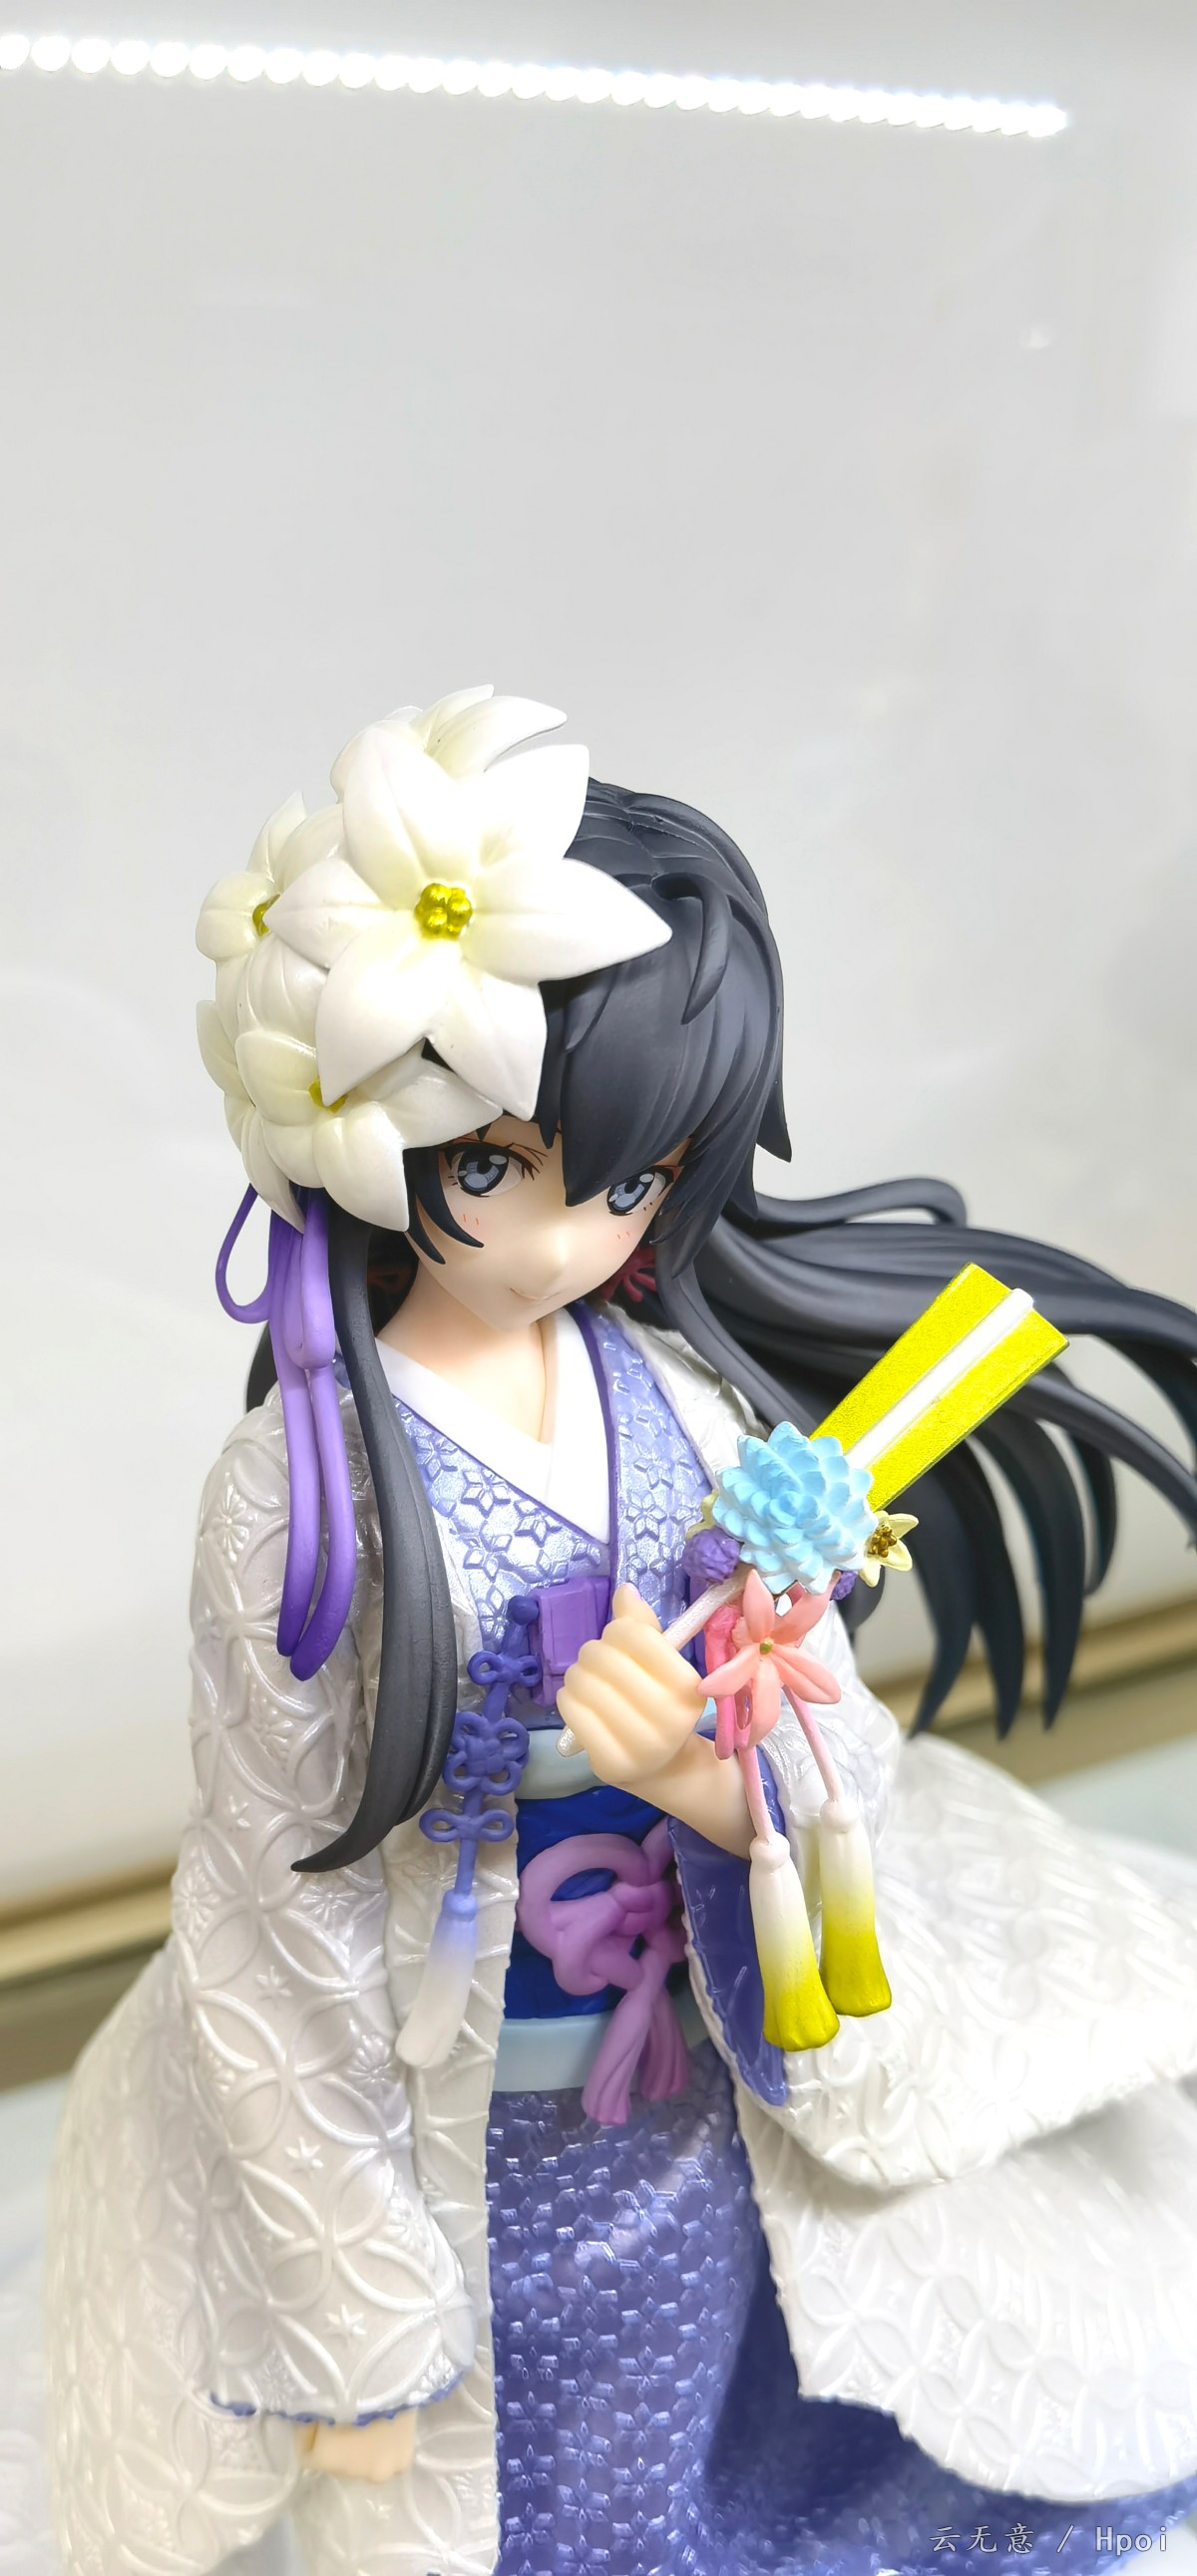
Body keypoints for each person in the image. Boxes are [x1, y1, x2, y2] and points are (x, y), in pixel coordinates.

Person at [44, 690, 1197, 2575]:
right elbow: (271, 1912)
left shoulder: (683, 1410)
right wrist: (356, 2331)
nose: (566, 1236)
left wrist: (724, 1793)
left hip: (688, 2089)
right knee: (513, 2501)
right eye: (495, 1166)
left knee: (720, 2455)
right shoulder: (305, 1496)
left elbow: (826, 1732)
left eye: (628, 1182)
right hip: (448, 2120)